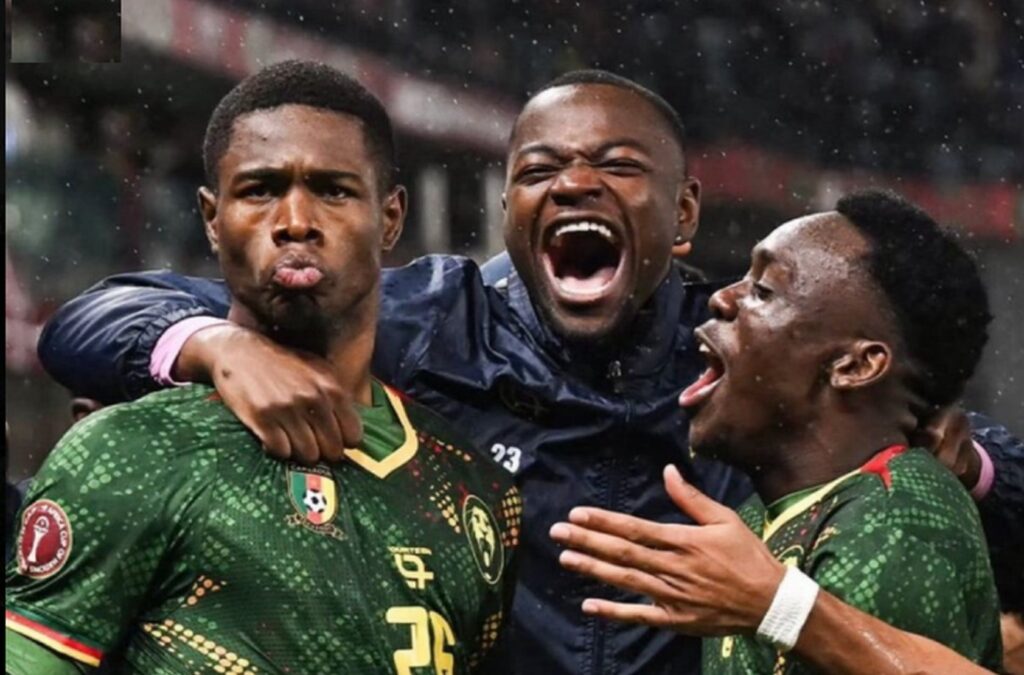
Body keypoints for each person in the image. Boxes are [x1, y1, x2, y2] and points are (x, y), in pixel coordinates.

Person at [34, 69, 1024, 674]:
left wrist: (961, 458)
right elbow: (91, 318)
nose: (577, 183)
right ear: (504, 206)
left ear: (683, 216)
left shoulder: (743, 367)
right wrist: (214, 344)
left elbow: (937, 448)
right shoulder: (417, 321)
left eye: (618, 165)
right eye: (541, 170)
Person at [5, 60, 519, 673]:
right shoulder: (129, 452)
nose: (296, 221)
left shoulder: (476, 494)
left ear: (390, 218)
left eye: (333, 190)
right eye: (260, 190)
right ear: (211, 219)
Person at [551, 190, 1002, 672]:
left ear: (854, 365)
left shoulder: (892, 526)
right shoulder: (760, 517)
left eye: (763, 291)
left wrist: (781, 608)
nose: (722, 298)